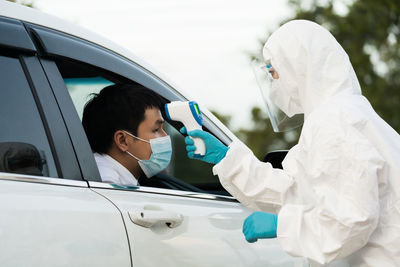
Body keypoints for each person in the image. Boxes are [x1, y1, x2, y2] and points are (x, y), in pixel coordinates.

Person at [182, 20, 400, 266]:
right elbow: (296, 190)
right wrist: (227, 159)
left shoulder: (337, 122)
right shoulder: (342, 116)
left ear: (298, 66)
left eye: (274, 72)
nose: (274, 85)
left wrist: (282, 224)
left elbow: (351, 221)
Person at [82, 83, 171, 186]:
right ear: (122, 140)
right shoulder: (107, 184)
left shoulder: (113, 178)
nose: (165, 137)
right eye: (156, 130)